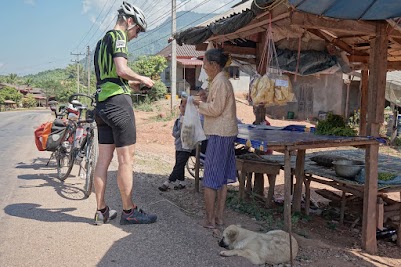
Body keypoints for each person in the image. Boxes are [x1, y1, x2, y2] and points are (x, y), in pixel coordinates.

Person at [93, 1, 157, 225]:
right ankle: (129, 212)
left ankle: (101, 211)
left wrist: (134, 85)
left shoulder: (102, 42)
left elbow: (112, 77)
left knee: (103, 161)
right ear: (129, 21)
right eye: (138, 29)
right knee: (126, 161)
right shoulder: (119, 37)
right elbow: (122, 69)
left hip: (101, 105)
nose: (137, 35)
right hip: (118, 106)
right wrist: (143, 78)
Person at [193, 48, 238, 229]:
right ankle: (218, 218)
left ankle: (210, 220)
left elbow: (215, 109)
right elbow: (216, 104)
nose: (203, 67)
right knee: (223, 178)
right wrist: (205, 98)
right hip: (226, 133)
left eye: (204, 63)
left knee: (211, 179)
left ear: (213, 65)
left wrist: (199, 104)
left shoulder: (220, 82)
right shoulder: (220, 81)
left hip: (220, 133)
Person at [158, 98, 192, 191]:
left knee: (179, 165)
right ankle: (182, 182)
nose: (185, 108)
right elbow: (174, 133)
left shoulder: (192, 120)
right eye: (183, 106)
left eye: (187, 107)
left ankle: (168, 182)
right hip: (178, 145)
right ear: (179, 107)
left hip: (187, 147)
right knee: (179, 163)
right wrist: (180, 130)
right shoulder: (177, 120)